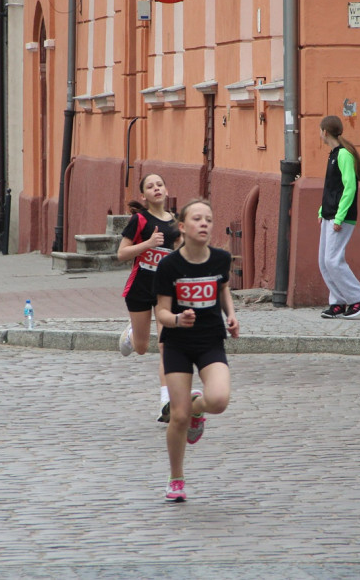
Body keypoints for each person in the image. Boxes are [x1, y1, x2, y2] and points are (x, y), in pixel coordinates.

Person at [153, 199, 238, 502]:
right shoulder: (169, 265)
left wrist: (231, 314)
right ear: (183, 226)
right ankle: (176, 478)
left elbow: (224, 287)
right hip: (177, 343)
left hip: (210, 340)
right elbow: (160, 314)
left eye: (209, 220)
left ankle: (197, 410)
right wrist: (177, 319)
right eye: (197, 219)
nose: (204, 224)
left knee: (218, 400)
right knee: (177, 417)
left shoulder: (220, 258)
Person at [116, 173, 181, 422]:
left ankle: (166, 402)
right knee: (142, 348)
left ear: (166, 190)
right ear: (143, 195)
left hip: (165, 292)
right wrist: (150, 243)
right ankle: (132, 334)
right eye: (150, 186)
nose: (156, 188)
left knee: (167, 346)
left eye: (160, 184)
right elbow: (121, 253)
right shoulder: (139, 220)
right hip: (139, 288)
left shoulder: (175, 222)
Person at [317, 115, 360, 320]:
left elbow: (349, 188)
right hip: (329, 215)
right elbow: (332, 187)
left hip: (342, 217)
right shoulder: (333, 154)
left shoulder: (343, 155)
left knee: (333, 260)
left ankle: (359, 298)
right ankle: (338, 303)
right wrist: (322, 211)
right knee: (324, 262)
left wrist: (339, 217)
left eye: (319, 131)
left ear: (324, 132)